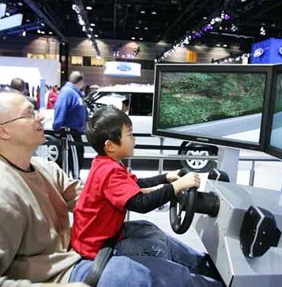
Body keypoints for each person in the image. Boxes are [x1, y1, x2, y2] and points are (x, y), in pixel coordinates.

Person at [0, 90, 217, 286]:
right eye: (29, 114)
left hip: (72, 249)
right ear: (3, 131)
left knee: (150, 234)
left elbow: (91, 196)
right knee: (139, 275)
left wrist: (146, 188)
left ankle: (209, 270)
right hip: (55, 273)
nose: (40, 117)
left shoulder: (41, 166)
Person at [71, 106, 223, 285]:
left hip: (106, 236)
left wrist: (165, 178)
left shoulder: (107, 164)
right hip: (97, 247)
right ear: (110, 146)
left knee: (151, 230)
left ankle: (207, 269)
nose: (134, 139)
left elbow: (136, 185)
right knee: (157, 248)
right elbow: (140, 203)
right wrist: (177, 186)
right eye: (129, 135)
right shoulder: (109, 172)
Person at [53, 71, 88, 178]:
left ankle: (75, 177)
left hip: (75, 131)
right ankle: (74, 178)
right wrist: (57, 127)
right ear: (81, 81)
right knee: (73, 156)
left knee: (77, 154)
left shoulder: (74, 93)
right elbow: (60, 109)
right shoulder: (68, 92)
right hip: (69, 130)